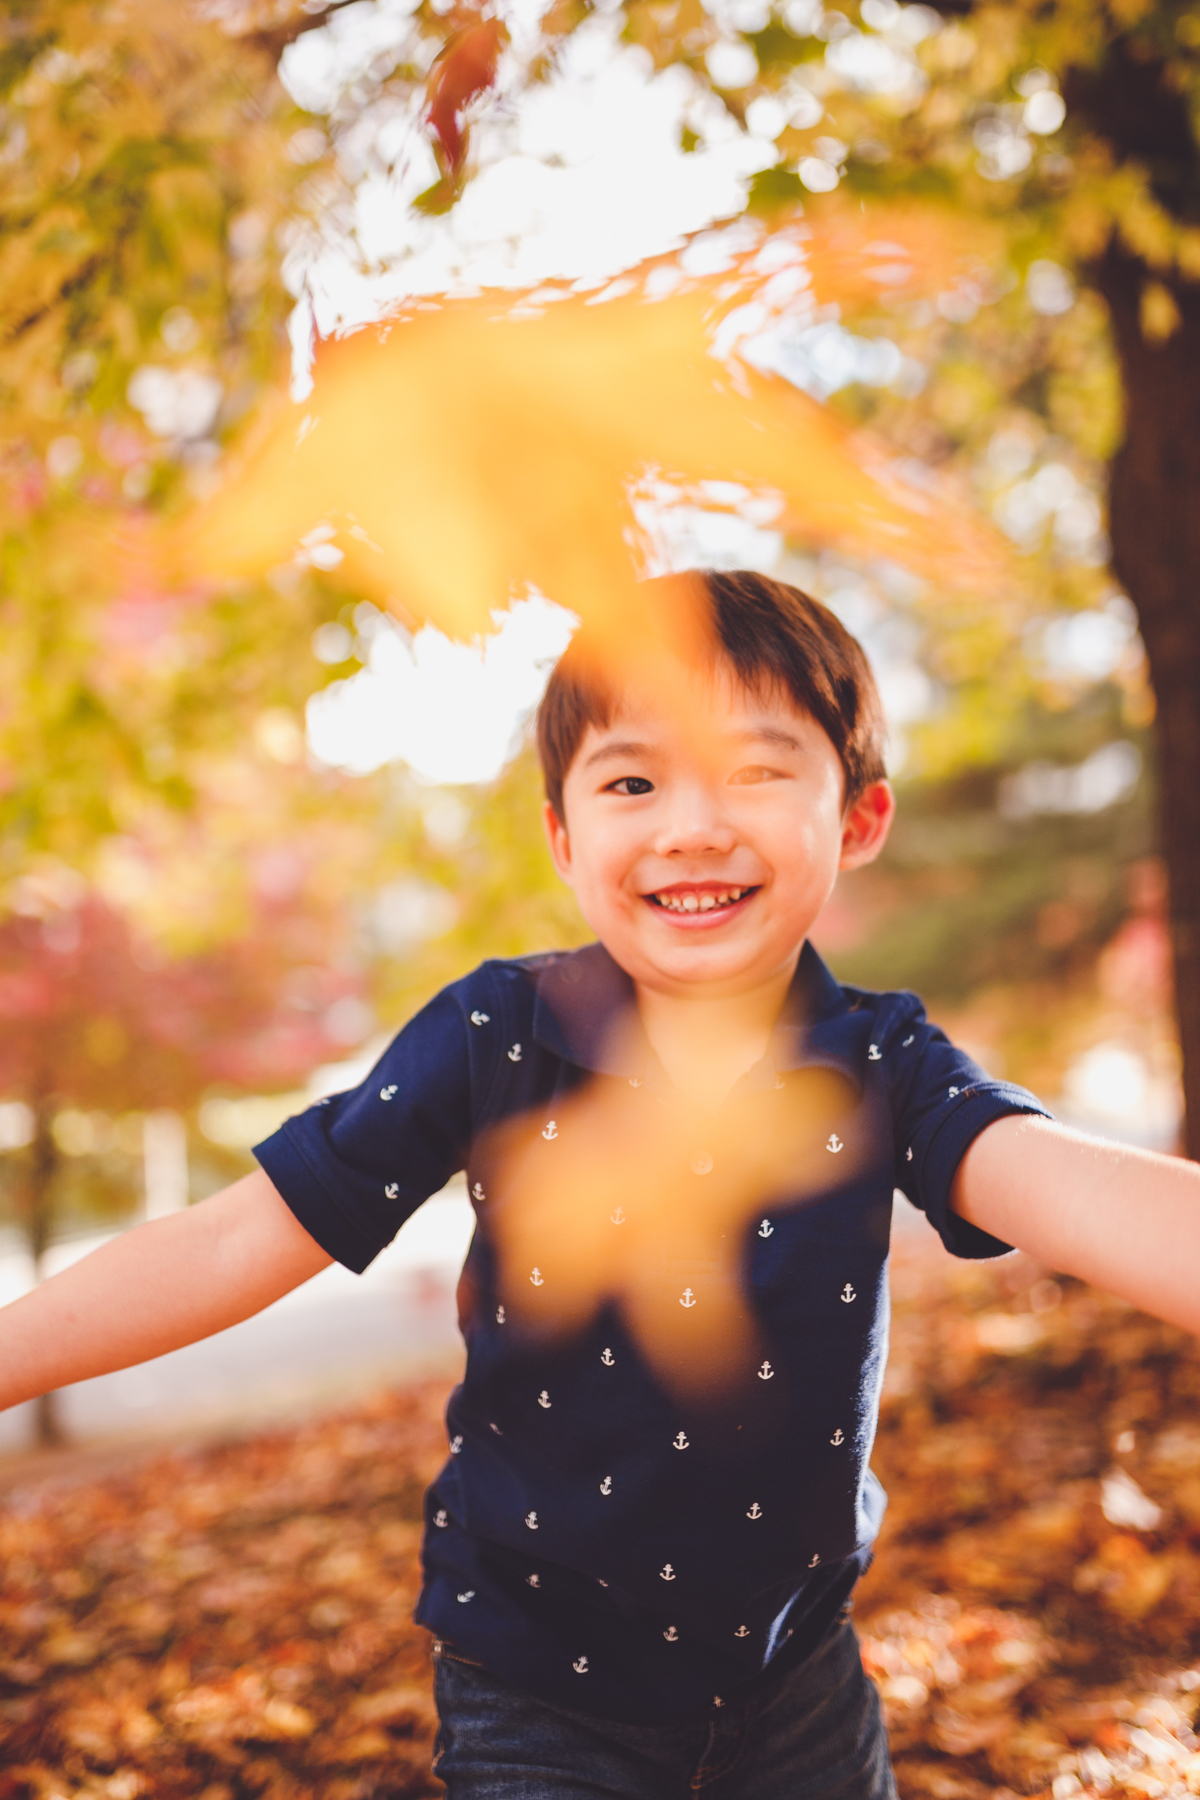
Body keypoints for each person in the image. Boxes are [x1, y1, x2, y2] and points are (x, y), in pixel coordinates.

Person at [2, 568, 1198, 1800]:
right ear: (565, 836)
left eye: (754, 770)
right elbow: (235, 1240)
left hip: (796, 1685)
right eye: (634, 781)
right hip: (536, 1695)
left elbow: (1066, 1187)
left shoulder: (881, 1065)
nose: (690, 825)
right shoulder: (495, 1037)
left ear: (857, 819)